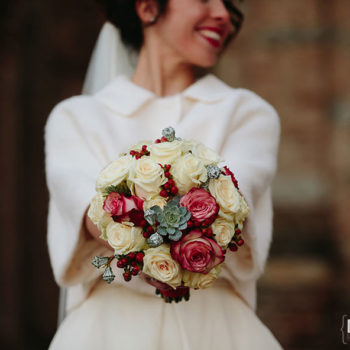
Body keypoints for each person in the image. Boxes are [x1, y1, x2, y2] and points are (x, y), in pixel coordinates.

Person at [45, 0, 283, 348]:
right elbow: (91, 220)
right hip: (106, 332)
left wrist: (127, 216)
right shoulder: (75, 119)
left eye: (226, 2)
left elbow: (231, 209)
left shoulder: (248, 114)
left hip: (217, 329)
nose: (222, 14)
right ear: (146, 7)